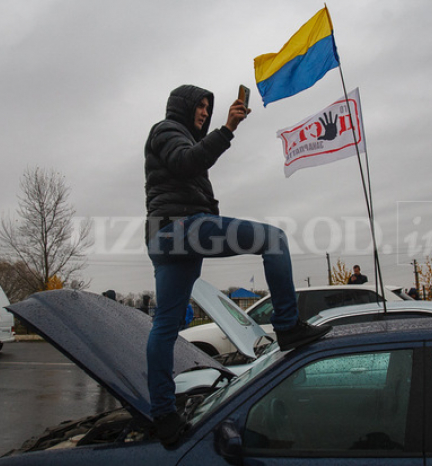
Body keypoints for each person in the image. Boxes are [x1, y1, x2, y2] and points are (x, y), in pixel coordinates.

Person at [144, 84, 331, 446]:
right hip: (180, 229)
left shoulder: (182, 138)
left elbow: (189, 167)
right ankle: (288, 325)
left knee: (165, 325)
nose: (203, 112)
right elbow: (187, 162)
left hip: (166, 236)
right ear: (182, 107)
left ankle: (163, 417)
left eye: (206, 108)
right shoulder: (167, 130)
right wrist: (228, 128)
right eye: (198, 106)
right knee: (273, 239)